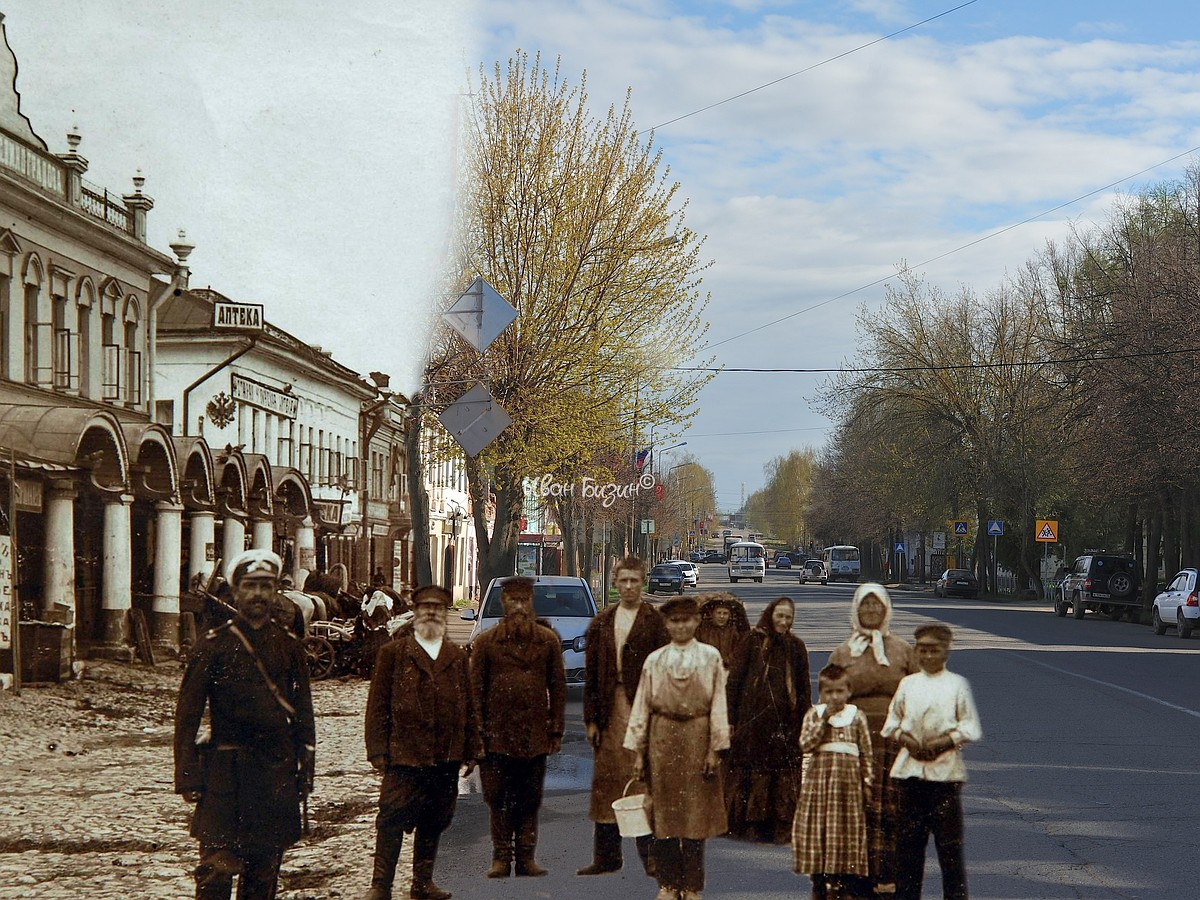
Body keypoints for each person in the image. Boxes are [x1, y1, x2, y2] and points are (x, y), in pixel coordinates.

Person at [174, 548, 316, 900]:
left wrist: (306, 768)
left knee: (264, 874)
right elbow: (187, 716)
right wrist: (187, 774)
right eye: (250, 586)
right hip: (224, 778)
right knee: (214, 875)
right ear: (236, 592)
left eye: (266, 587)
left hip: (274, 776)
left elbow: (304, 713)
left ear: (275, 593)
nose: (258, 594)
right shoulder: (214, 646)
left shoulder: (289, 647)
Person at [364, 584, 481, 900]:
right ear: (415, 613)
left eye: (438, 609)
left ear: (445, 614)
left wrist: (472, 750)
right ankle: (381, 886)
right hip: (404, 754)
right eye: (425, 608)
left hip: (444, 756)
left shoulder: (456, 657)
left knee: (435, 818)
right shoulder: (394, 654)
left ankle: (422, 883)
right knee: (391, 816)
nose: (431, 613)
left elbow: (469, 705)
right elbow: (377, 704)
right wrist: (376, 749)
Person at [626, 594, 730, 900]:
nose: (681, 626)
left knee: (696, 817)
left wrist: (715, 749)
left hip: (698, 736)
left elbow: (719, 706)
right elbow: (642, 707)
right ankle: (669, 884)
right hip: (662, 739)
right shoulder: (656, 661)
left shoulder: (710, 657)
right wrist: (637, 751)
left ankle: (692, 885)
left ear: (697, 622)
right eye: (674, 621)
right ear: (667, 624)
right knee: (665, 816)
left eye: (686, 620)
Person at [469, 575, 567, 878]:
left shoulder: (547, 641)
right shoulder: (485, 644)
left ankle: (526, 857)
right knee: (497, 798)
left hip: (534, 734)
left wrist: (555, 730)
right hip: (497, 735)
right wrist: (478, 736)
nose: (519, 607)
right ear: (504, 604)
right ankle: (501, 857)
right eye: (513, 601)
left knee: (529, 797)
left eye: (524, 601)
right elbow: (475, 693)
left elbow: (558, 688)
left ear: (531, 603)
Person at [578, 554, 669, 877]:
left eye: (634, 581)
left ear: (641, 583)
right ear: (615, 583)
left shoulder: (655, 623)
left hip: (644, 709)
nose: (629, 587)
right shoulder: (601, 623)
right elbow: (591, 677)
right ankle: (606, 857)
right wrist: (591, 720)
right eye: (623, 581)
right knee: (606, 784)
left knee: (644, 782)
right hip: (609, 709)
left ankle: (652, 859)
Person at [827, 583, 918, 894]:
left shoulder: (903, 651)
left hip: (895, 744)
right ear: (856, 609)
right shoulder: (842, 653)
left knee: (895, 810)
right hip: (855, 745)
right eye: (865, 606)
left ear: (886, 609)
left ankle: (889, 875)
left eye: (876, 605)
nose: (870, 611)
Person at [881, 624, 982, 900]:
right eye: (922, 650)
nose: (927, 656)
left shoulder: (957, 685)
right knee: (908, 851)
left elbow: (970, 728)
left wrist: (943, 743)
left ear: (945, 652)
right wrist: (908, 741)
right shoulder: (907, 684)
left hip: (945, 779)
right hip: (909, 777)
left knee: (950, 851)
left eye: (933, 650)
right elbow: (891, 724)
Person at [724, 596, 812, 843]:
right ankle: (751, 825)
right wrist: (731, 719)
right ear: (770, 614)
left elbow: (804, 687)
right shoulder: (752, 641)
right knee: (754, 773)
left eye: (788, 618)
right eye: (779, 616)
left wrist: (804, 720)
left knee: (784, 774)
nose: (783, 621)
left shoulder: (796, 646)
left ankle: (781, 826)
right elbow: (735, 682)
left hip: (786, 722)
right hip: (753, 722)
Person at [792, 664, 874, 900]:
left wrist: (866, 782)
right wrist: (823, 721)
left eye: (839, 691)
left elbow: (866, 752)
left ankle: (843, 882)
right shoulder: (814, 715)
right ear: (821, 693)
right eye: (829, 692)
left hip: (848, 786)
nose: (834, 697)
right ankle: (820, 881)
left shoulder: (856, 717)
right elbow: (806, 744)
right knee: (820, 832)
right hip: (821, 785)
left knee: (845, 834)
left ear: (848, 691)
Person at [695, 592, 750, 666]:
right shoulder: (702, 630)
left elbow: (740, 652)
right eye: (719, 613)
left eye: (725, 613)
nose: (722, 616)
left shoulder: (734, 632)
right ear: (712, 614)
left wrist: (728, 661)